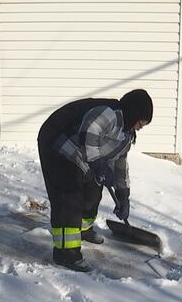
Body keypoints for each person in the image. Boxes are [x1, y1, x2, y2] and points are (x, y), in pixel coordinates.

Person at [37, 89, 153, 272]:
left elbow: (120, 163)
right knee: (69, 196)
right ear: (133, 112)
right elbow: (90, 131)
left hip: (81, 152)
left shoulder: (126, 134)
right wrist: (98, 164)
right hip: (57, 141)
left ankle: (83, 229)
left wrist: (124, 195)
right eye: (141, 121)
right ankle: (65, 253)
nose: (140, 127)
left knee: (93, 190)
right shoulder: (110, 113)